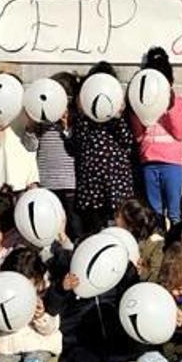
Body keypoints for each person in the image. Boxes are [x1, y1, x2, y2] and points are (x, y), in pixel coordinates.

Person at [128, 47, 182, 227]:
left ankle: (175, 245)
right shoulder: (141, 101)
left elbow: (181, 133)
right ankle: (156, 244)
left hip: (172, 164)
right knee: (154, 211)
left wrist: (169, 108)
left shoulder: (179, 102)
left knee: (174, 211)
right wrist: (135, 113)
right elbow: (139, 137)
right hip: (149, 162)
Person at [73, 62, 136, 236]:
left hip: (116, 179)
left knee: (118, 223)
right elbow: (77, 142)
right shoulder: (83, 117)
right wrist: (82, 111)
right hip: (91, 181)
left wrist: (118, 116)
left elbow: (127, 141)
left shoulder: (118, 116)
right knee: (94, 228)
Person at [29, 71, 83, 240]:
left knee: (74, 224)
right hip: (47, 181)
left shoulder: (76, 119)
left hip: (69, 182)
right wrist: (31, 128)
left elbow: (76, 147)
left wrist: (66, 126)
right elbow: (32, 146)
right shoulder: (42, 118)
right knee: (51, 226)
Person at [0, 73, 40, 192]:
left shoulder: (27, 113)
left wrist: (30, 129)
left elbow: (32, 147)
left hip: (25, 183)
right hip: (0, 184)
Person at [115, 198, 165, 282]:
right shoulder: (119, 235)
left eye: (118, 216)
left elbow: (157, 274)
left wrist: (142, 271)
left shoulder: (156, 242)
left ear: (130, 225)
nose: (115, 219)